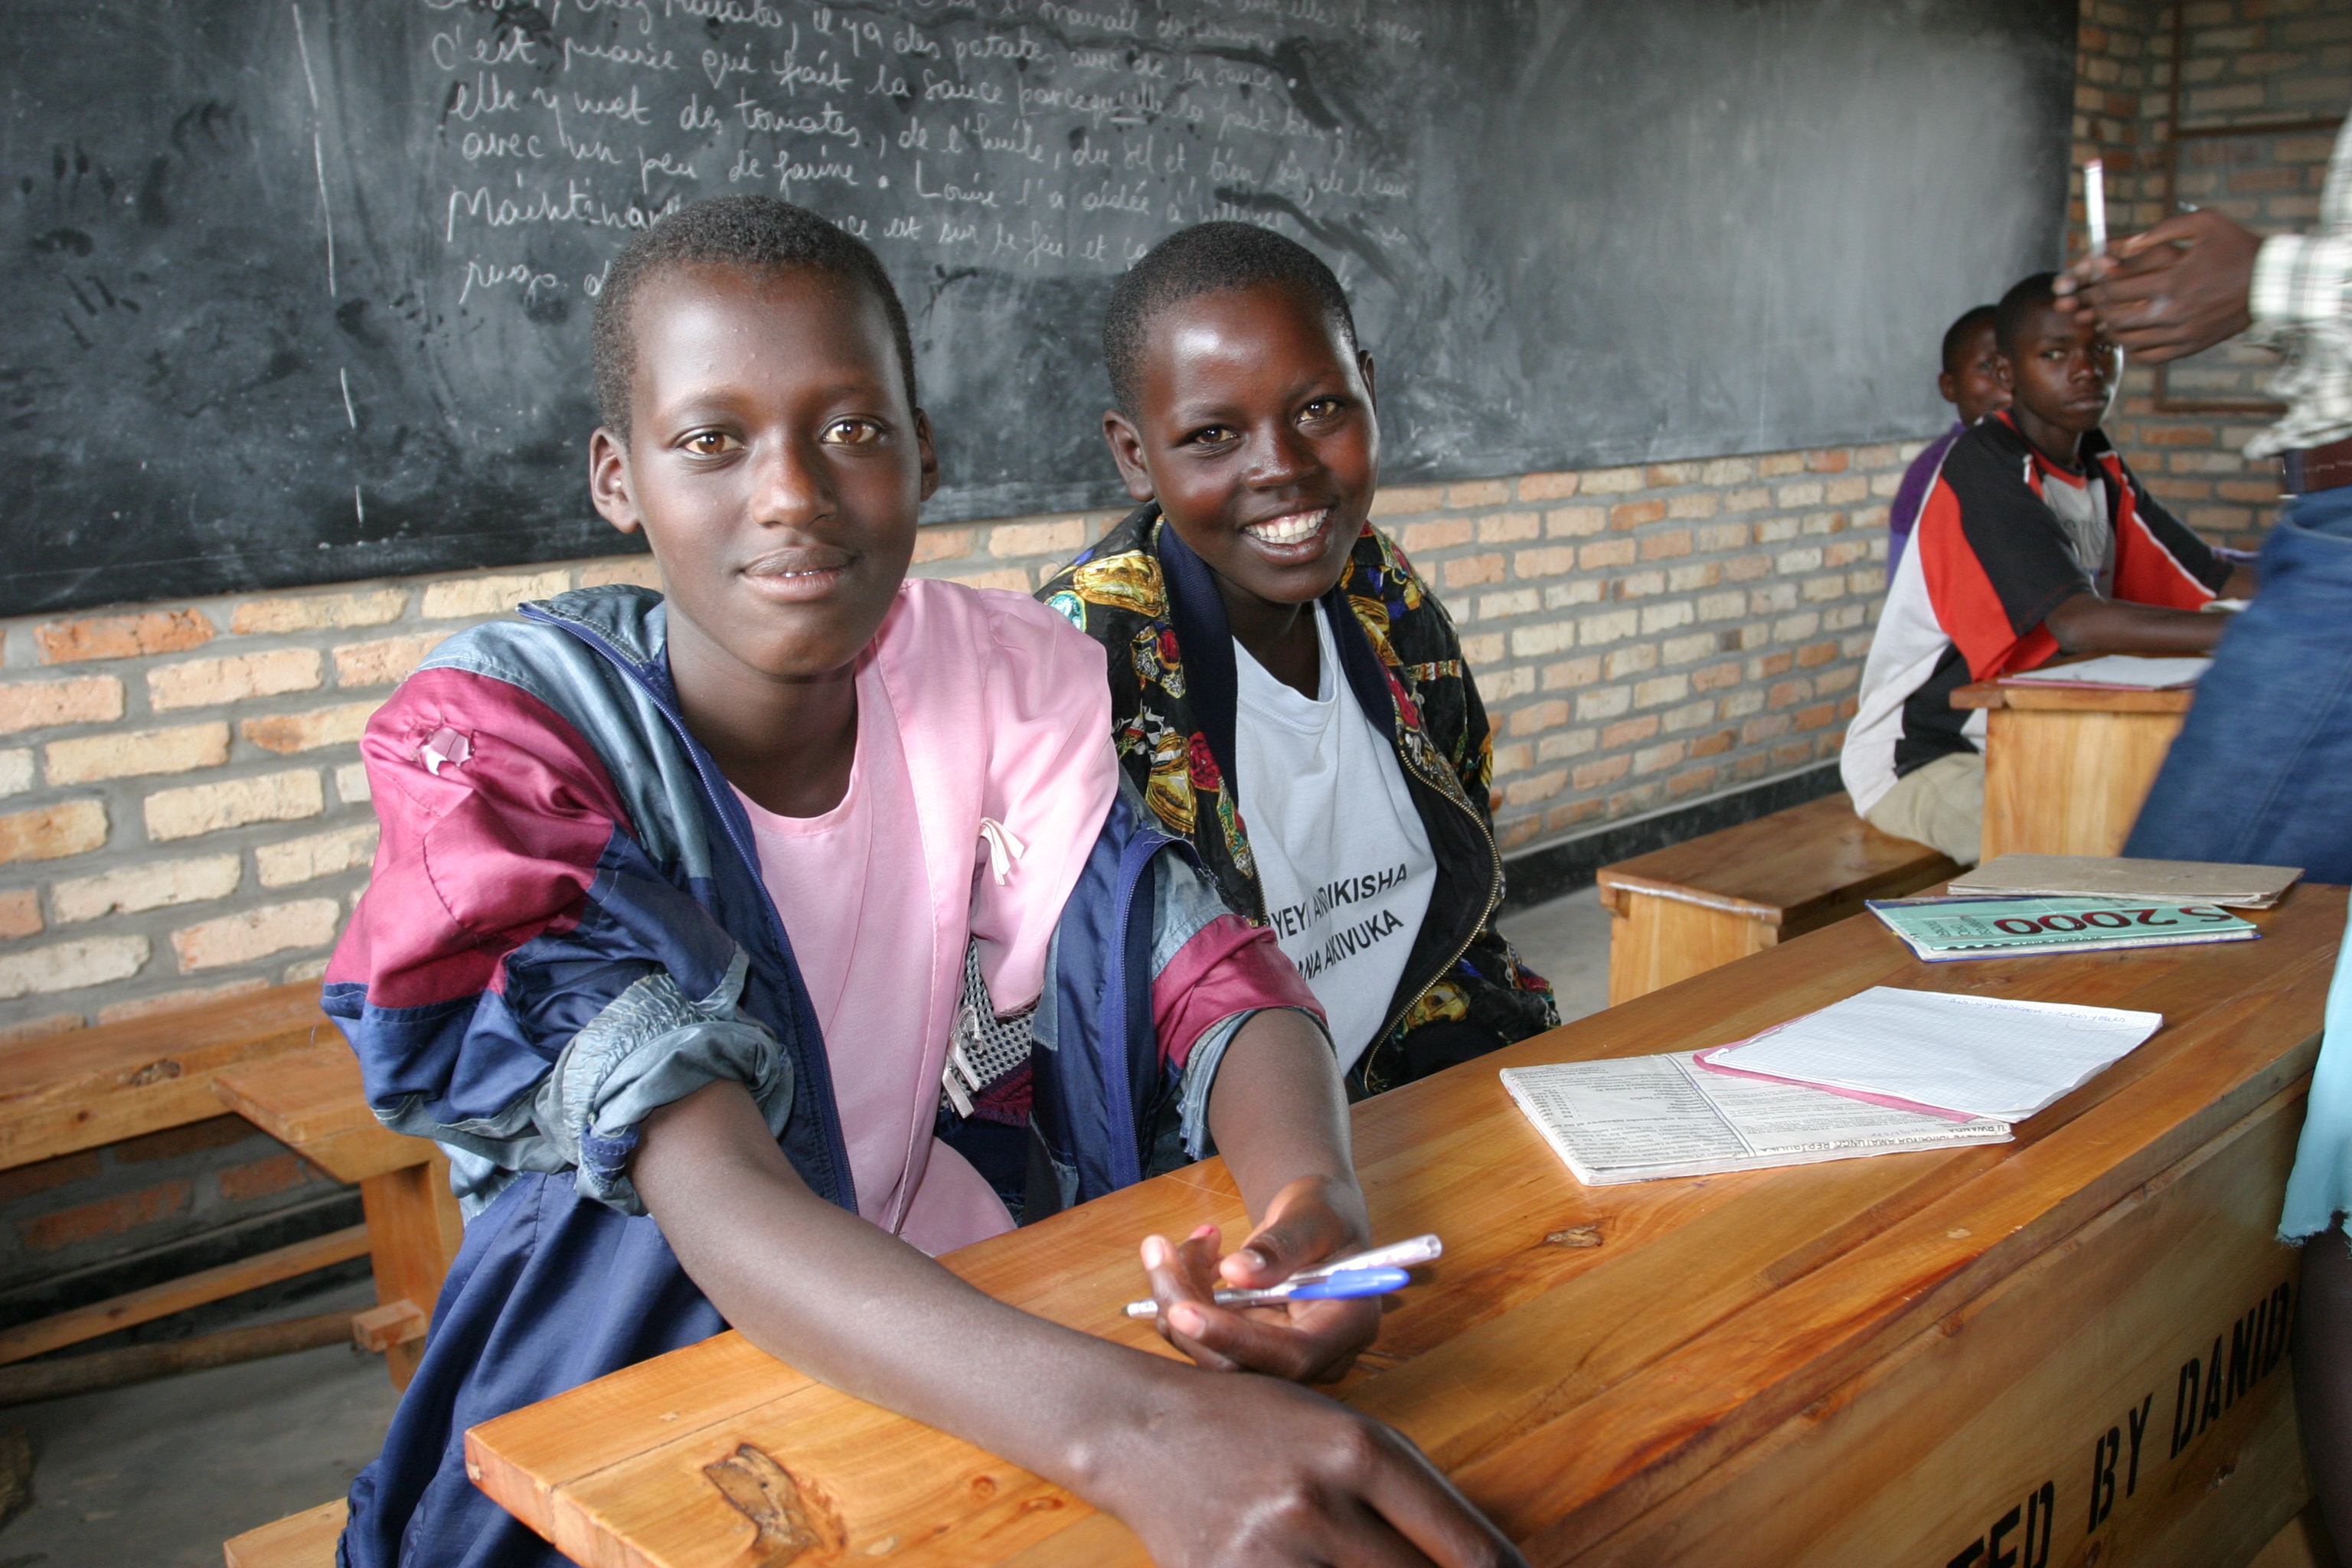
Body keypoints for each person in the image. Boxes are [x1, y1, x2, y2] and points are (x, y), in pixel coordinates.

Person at [324, 197, 1519, 1568]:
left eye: (852, 429)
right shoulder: (512, 741)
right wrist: (1137, 1432)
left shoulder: (995, 677)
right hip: (643, 1365)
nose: (792, 492)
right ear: (617, 474)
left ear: (924, 452)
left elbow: (1196, 963)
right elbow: (699, 1166)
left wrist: (1313, 1206)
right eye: (712, 441)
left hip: (959, 1304)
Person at [1037, 222, 1557, 1099]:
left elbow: (1467, 847)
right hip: (1228, 1146)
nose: (1282, 467)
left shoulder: (1380, 590)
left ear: (1369, 390)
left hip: (1436, 1082)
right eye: (1212, 434)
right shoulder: (1083, 661)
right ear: (1135, 454)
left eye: (1319, 408)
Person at [2062, 116, 2352, 1552]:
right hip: (2324, 539)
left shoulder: (2095, 473)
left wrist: (2285, 278)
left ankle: (2084, 1378)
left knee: (2144, 960)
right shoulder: (1985, 475)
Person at [1839, 271, 2253, 867]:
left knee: (2187, 825)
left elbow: (2211, 576)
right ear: (2008, 375)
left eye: (2103, 350)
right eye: (2055, 354)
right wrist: (2273, 633)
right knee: (2065, 862)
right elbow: (2078, 624)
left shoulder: (2097, 463)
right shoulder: (1984, 465)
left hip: (2035, 738)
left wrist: (2320, 593)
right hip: (1928, 755)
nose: (2087, 371)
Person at [1886, 304, 2007, 573]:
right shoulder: (1934, 472)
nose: (2006, 379)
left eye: (2015, 363)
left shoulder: (2060, 459)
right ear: (1949, 387)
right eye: (1987, 366)